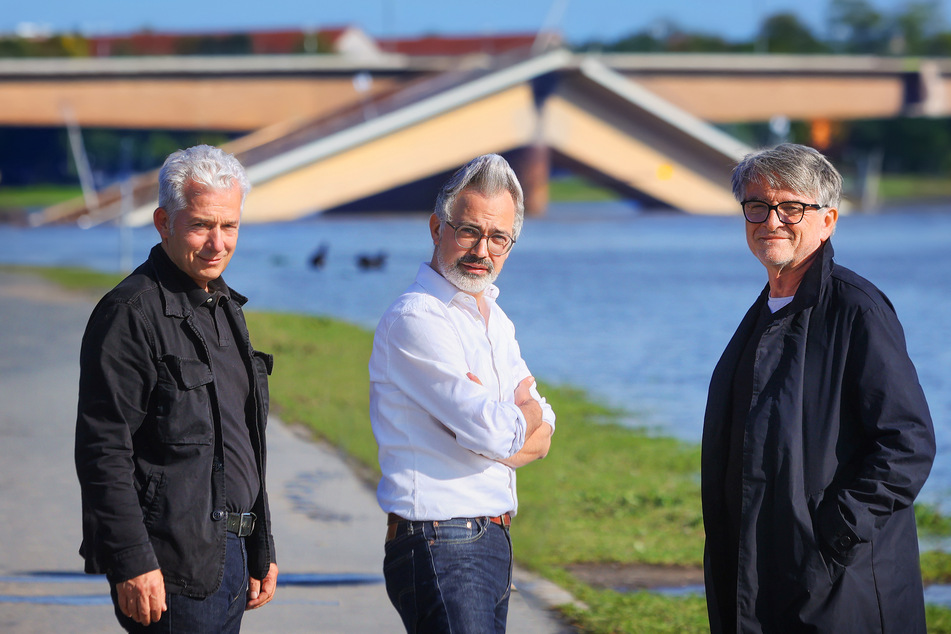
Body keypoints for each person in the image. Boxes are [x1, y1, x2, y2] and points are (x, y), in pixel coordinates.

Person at [701, 143, 935, 632]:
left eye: (792, 208)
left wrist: (834, 534)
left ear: (827, 221)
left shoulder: (857, 309)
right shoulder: (765, 312)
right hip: (764, 573)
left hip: (838, 583)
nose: (772, 221)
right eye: (758, 206)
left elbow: (906, 444)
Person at [75, 145, 278, 632]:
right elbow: (103, 448)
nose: (217, 243)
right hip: (168, 566)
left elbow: (241, 441)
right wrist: (131, 561)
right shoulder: (130, 312)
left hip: (229, 558)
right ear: (163, 221)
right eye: (201, 225)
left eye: (229, 226)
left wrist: (260, 546)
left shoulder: (226, 308)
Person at [369, 154, 555, 633]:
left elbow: (542, 435)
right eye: (469, 231)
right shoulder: (418, 318)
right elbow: (495, 432)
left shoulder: (495, 318)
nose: (482, 250)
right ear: (437, 228)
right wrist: (519, 412)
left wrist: (520, 416)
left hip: (489, 539)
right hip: (441, 540)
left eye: (499, 238)